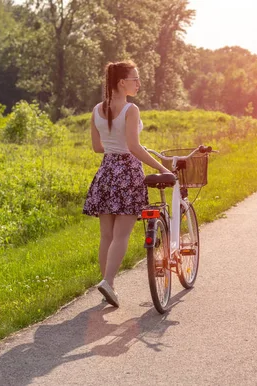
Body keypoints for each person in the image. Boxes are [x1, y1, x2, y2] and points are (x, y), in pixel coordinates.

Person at [82, 60, 171, 307]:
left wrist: (114, 143)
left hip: (106, 171)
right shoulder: (131, 110)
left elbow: (97, 147)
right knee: (122, 235)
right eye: (135, 79)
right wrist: (162, 168)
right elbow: (133, 146)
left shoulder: (97, 109)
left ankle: (106, 284)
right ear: (122, 82)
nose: (139, 83)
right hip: (128, 172)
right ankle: (108, 282)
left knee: (106, 235)